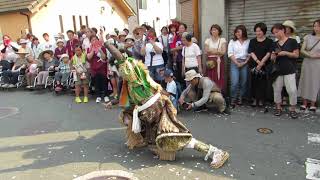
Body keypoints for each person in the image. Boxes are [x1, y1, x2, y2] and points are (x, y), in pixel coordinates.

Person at [104, 44, 229, 169]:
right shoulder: (129, 83)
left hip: (156, 109)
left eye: (120, 68)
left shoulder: (135, 72)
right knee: (127, 117)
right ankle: (145, 141)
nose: (120, 72)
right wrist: (114, 103)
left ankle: (215, 152)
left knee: (172, 136)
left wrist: (107, 44)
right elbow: (126, 99)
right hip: (147, 112)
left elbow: (123, 61)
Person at [270, 23, 299, 119]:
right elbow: (272, 58)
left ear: (283, 30)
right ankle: (278, 108)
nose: (275, 34)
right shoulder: (274, 43)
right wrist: (273, 56)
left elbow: (296, 55)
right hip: (277, 70)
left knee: (292, 90)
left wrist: (285, 53)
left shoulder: (292, 41)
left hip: (289, 69)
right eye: (274, 33)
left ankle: (292, 109)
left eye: (277, 32)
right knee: (277, 90)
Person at [248, 23, 273, 107]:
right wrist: (258, 62)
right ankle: (255, 99)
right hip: (254, 64)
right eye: (257, 31)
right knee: (254, 82)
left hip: (265, 64)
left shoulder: (269, 41)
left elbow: (269, 53)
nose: (258, 32)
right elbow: (251, 52)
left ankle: (262, 99)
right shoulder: (252, 41)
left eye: (260, 31)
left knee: (263, 83)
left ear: (264, 31)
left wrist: (262, 63)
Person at [298, 19, 320, 113]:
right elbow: (302, 50)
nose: (316, 28)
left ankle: (313, 104)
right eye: (314, 26)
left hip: (318, 63)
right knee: (305, 81)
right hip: (307, 62)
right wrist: (310, 55)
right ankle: (304, 103)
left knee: (315, 82)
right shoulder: (308, 37)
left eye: (318, 26)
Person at [228, 25, 250, 106]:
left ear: (243, 32)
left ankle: (240, 97)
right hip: (235, 62)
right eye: (236, 32)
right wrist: (237, 63)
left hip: (245, 62)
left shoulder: (248, 41)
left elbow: (249, 53)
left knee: (243, 82)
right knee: (235, 82)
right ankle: (233, 98)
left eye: (239, 32)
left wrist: (245, 62)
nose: (237, 33)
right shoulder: (232, 41)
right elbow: (230, 54)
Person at [204, 24, 227, 92]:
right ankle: (210, 93)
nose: (213, 31)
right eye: (212, 30)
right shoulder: (207, 40)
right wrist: (217, 51)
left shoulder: (222, 40)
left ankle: (219, 93)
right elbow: (206, 51)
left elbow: (223, 52)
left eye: (215, 30)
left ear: (219, 31)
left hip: (219, 61)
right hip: (210, 62)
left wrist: (212, 50)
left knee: (219, 77)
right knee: (210, 77)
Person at [87, 35, 109, 103]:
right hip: (94, 67)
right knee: (96, 82)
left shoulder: (102, 47)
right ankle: (98, 96)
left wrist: (100, 50)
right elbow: (89, 57)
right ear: (90, 41)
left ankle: (106, 95)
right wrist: (93, 50)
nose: (94, 41)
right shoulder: (89, 48)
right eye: (92, 40)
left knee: (104, 81)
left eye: (95, 39)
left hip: (102, 66)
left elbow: (104, 57)